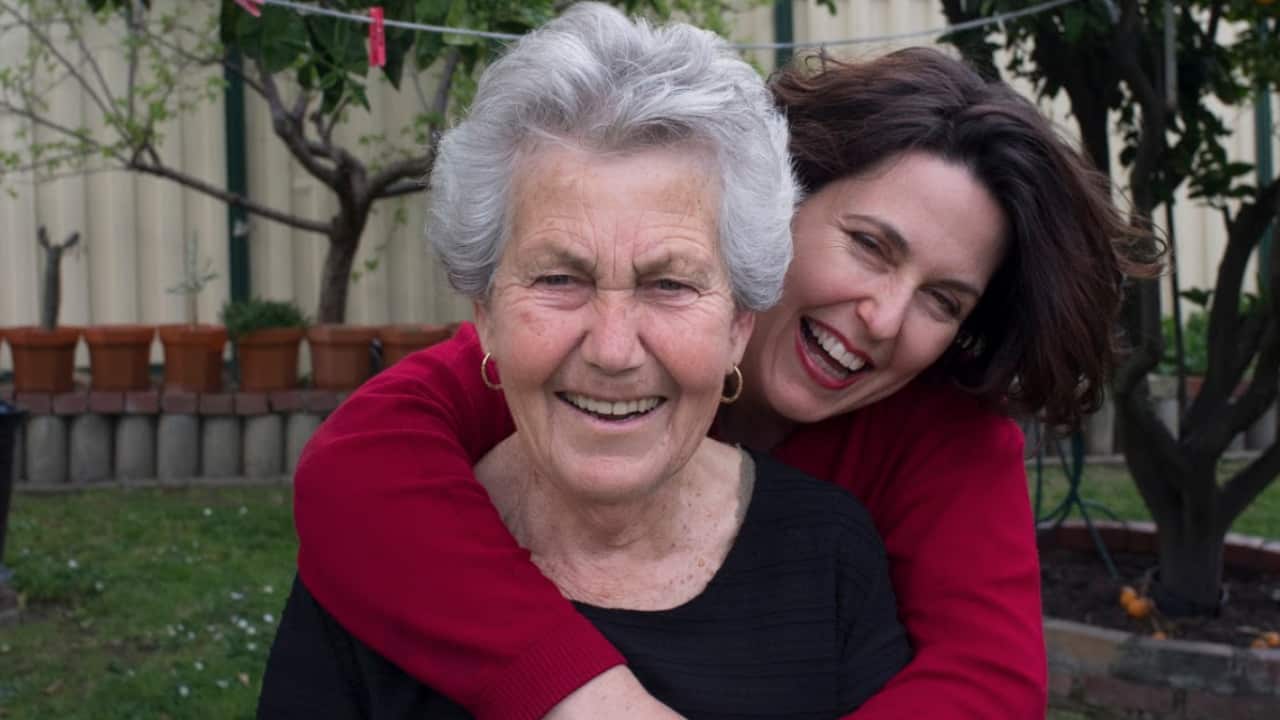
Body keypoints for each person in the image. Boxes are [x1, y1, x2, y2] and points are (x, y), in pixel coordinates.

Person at [290, 20, 1159, 720]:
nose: (887, 318)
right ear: (781, 205)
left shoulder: (933, 448)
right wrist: (587, 696)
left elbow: (988, 689)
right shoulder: (573, 344)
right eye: (868, 245)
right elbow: (355, 475)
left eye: (943, 300)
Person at [258, 4, 912, 718]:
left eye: (670, 283)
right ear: (485, 315)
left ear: (738, 326)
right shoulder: (379, 565)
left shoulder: (830, 557)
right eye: (558, 279)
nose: (611, 348)